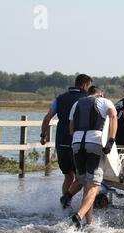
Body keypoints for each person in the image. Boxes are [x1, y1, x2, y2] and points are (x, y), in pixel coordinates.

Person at [40, 74, 93, 208]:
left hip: (61, 142)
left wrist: (43, 135)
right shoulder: (86, 99)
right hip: (78, 143)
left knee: (68, 176)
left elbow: (47, 119)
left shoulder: (60, 98)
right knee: (82, 178)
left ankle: (65, 208)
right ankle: (77, 205)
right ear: (86, 85)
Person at [69, 86, 118, 230]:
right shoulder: (104, 101)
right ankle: (79, 215)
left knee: (86, 184)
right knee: (95, 185)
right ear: (101, 93)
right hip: (95, 142)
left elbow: (70, 130)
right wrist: (111, 140)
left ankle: (88, 223)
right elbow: (113, 116)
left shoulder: (76, 104)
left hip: (77, 144)